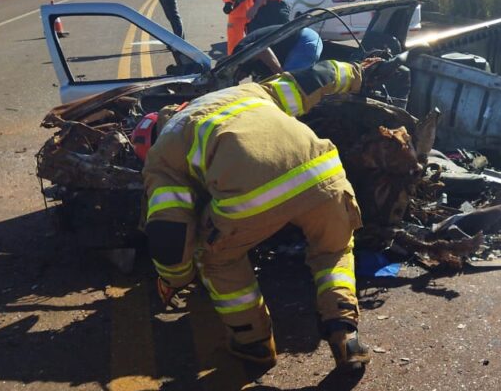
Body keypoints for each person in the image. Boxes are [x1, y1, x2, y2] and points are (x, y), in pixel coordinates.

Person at [137, 59, 383, 372]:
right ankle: (345, 332)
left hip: (251, 199)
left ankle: (253, 344)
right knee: (333, 251)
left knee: (216, 259)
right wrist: (358, 74)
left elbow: (170, 229)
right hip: (324, 173)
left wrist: (176, 277)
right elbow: (315, 77)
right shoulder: (242, 94)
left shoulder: (161, 156)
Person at [235, 25, 323, 75]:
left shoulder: (239, 54)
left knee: (289, 84)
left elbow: (263, 51)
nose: (240, 79)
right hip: (305, 38)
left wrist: (280, 74)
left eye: (237, 78)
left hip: (303, 41)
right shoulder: (246, 64)